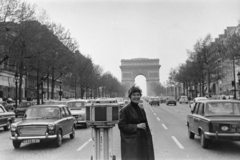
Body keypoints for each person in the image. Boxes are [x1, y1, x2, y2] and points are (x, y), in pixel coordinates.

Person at [118, 85, 155, 160]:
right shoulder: (125, 110)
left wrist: (149, 139)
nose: (136, 97)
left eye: (138, 95)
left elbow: (146, 126)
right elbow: (121, 126)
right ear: (130, 97)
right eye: (134, 95)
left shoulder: (141, 109)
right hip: (131, 144)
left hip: (143, 142)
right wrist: (136, 126)